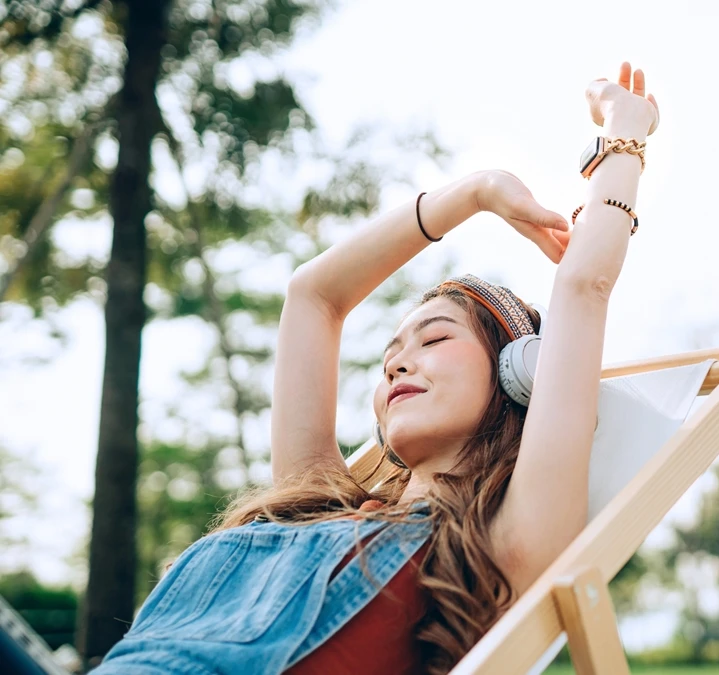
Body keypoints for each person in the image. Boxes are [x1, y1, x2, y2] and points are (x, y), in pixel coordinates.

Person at [90, 62, 660, 675]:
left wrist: (626, 133)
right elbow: (312, 297)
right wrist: (475, 192)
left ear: (520, 373)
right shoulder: (314, 501)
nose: (397, 365)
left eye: (433, 339)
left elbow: (584, 284)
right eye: (390, 356)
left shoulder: (496, 550)